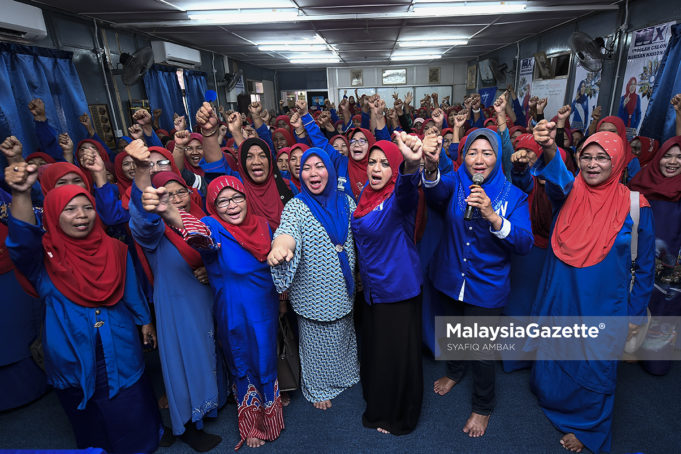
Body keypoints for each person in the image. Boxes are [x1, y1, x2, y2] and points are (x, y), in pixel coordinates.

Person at [5, 164, 162, 453]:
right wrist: (21, 193)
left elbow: (131, 291)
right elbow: (22, 241)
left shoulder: (115, 248)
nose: (81, 216)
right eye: (70, 209)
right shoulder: (44, 259)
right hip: (70, 351)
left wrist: (144, 321)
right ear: (53, 215)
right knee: (90, 421)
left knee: (132, 412)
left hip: (120, 343)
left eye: (87, 207)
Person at [529, 120, 655, 453]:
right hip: (563, 294)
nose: (593, 164)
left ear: (617, 162)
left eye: (603, 158)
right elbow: (555, 176)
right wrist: (547, 147)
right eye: (587, 157)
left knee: (597, 363)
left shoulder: (635, 206)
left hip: (605, 304)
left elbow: (645, 267)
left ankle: (589, 429)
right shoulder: (569, 191)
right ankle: (554, 401)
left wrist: (635, 313)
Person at [140, 175, 285, 450]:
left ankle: (272, 417)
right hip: (233, 310)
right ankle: (252, 424)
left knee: (266, 359)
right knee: (242, 363)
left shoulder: (263, 225)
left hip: (264, 306)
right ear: (213, 206)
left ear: (246, 198)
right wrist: (171, 212)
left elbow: (276, 265)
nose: (232, 205)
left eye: (237, 197)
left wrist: (281, 300)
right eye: (223, 201)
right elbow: (199, 236)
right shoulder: (212, 226)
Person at [422, 128, 533, 437]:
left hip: (487, 286)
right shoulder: (456, 181)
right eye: (472, 152)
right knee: (452, 332)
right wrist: (431, 169)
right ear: (464, 156)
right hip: (449, 277)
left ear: (498, 158)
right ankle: (455, 372)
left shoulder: (513, 195)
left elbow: (524, 242)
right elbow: (434, 191)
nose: (479, 160)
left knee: (483, 353)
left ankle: (483, 406)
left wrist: (493, 218)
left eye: (487, 153)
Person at [126, 140, 221, 452]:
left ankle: (209, 406)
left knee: (208, 352)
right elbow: (143, 220)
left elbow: (215, 250)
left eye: (180, 191)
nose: (176, 198)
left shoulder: (201, 220)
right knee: (183, 361)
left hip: (203, 297)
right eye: (166, 193)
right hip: (176, 303)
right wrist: (143, 178)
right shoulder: (156, 228)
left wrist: (210, 271)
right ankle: (187, 426)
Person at [268, 148, 359, 411]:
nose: (313, 173)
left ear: (329, 170)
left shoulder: (346, 203)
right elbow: (287, 231)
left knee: (343, 335)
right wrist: (280, 247)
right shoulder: (297, 206)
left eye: (319, 166)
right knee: (316, 342)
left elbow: (358, 241)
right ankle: (317, 386)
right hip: (313, 293)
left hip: (343, 287)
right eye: (306, 168)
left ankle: (343, 375)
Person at [352, 136, 423, 435]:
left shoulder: (399, 197)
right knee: (379, 354)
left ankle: (398, 416)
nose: (376, 169)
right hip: (372, 291)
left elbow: (408, 191)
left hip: (397, 290)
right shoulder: (366, 196)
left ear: (394, 169)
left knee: (397, 358)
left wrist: (412, 164)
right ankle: (380, 402)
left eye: (384, 163)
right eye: (372, 162)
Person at [629, 136, 681, 376]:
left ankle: (655, 356)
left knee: (665, 309)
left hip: (673, 268)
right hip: (639, 260)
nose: (672, 162)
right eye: (668, 155)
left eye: (679, 157)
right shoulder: (642, 182)